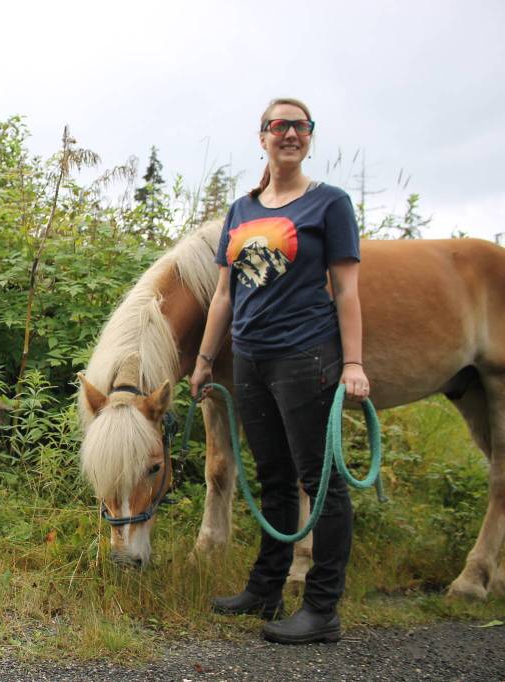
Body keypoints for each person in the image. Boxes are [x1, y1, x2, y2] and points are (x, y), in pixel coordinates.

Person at [190, 97, 369, 645]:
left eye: (300, 126)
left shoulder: (328, 204)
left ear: (310, 136)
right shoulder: (241, 211)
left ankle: (321, 609)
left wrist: (355, 363)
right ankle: (265, 588)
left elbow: (347, 290)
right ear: (262, 136)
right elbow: (224, 294)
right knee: (272, 477)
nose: (289, 133)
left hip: (306, 355)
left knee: (321, 482)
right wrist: (203, 360)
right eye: (278, 125)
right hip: (250, 357)